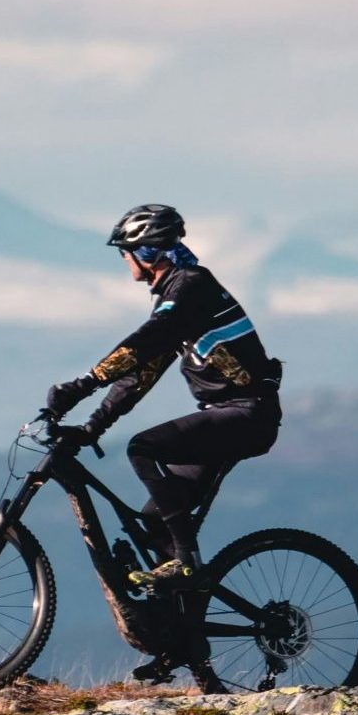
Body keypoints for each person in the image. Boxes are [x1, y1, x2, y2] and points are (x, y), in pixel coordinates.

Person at [45, 203, 282, 594]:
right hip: (230, 416)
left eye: (124, 251)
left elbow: (148, 340)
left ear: (145, 251)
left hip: (246, 414)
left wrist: (83, 384)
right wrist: (93, 426)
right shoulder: (178, 291)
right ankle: (182, 629)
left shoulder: (191, 286)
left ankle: (186, 562)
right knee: (156, 523)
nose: (123, 260)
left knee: (143, 448)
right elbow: (142, 374)